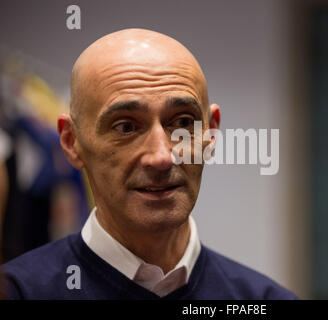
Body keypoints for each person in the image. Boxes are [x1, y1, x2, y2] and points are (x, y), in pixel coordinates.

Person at [1, 28, 297, 300]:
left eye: (182, 123)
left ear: (210, 132)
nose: (161, 157)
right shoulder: (19, 291)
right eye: (126, 127)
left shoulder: (262, 300)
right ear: (71, 142)